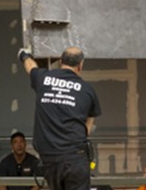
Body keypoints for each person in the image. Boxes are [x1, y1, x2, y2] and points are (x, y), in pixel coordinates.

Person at [17, 46, 101, 190]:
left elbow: (30, 67)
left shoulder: (43, 79)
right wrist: (85, 131)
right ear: (80, 65)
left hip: (50, 158)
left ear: (61, 61)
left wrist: (23, 55)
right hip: (75, 157)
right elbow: (91, 116)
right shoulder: (87, 90)